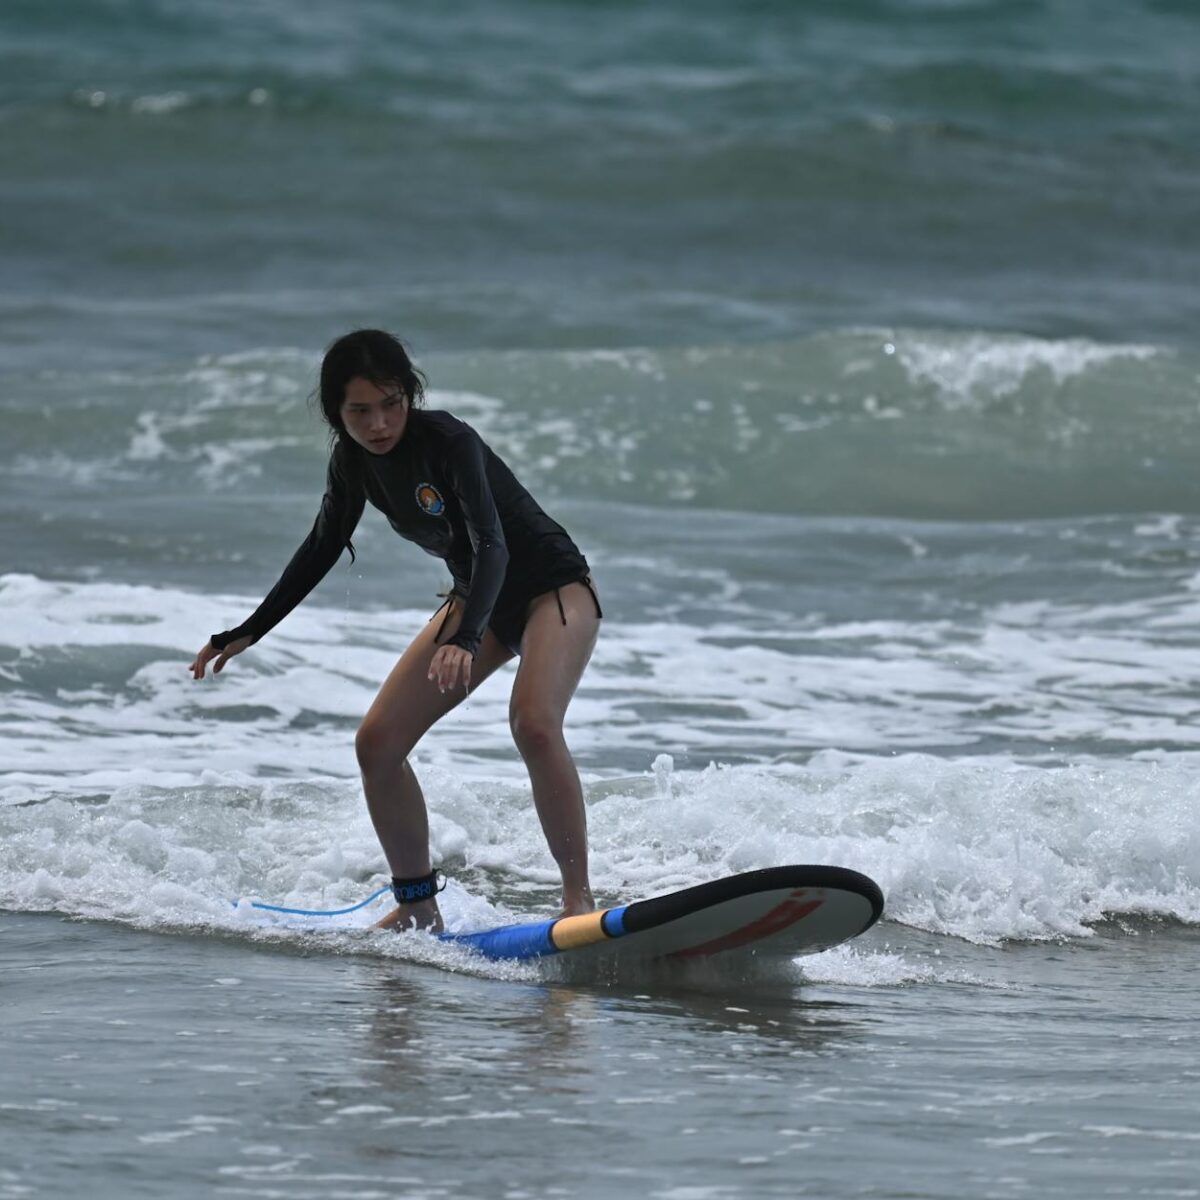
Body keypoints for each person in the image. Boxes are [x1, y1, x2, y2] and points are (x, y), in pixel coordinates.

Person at [190, 329, 602, 932]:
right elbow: (322, 545)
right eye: (360, 411)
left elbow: (493, 543)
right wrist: (247, 630)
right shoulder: (352, 462)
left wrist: (464, 639)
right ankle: (416, 906)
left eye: (390, 405)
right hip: (475, 598)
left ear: (409, 395)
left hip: (553, 589)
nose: (379, 423)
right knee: (377, 744)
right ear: (336, 413)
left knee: (534, 725)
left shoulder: (451, 442)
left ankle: (578, 902)